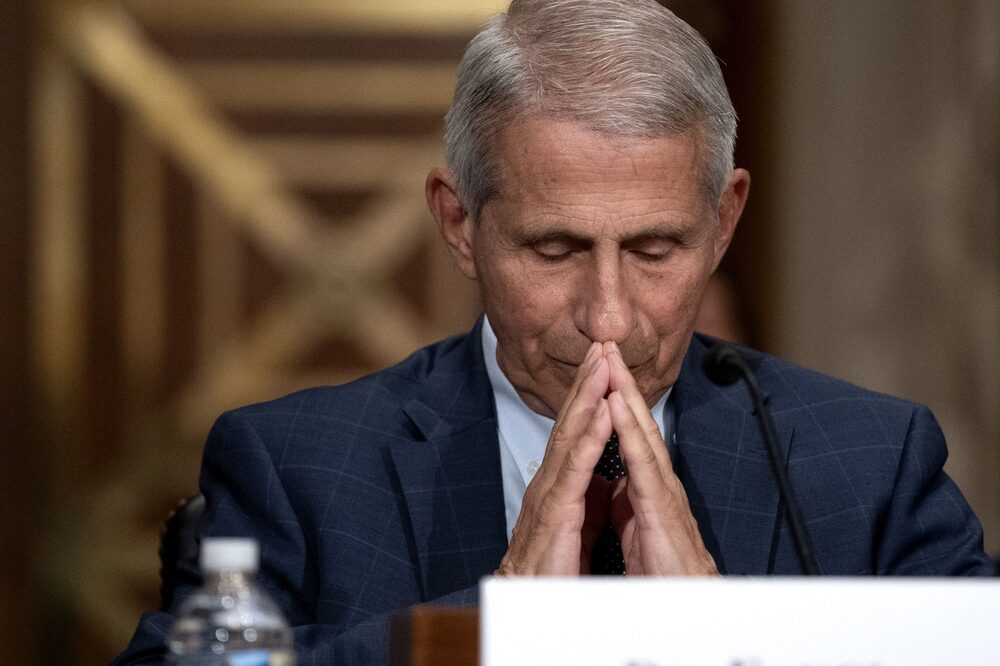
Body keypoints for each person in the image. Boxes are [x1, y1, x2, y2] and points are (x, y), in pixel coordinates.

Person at [115, 0, 995, 663]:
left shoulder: (869, 464)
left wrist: (728, 638)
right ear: (459, 223)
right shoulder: (294, 468)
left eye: (655, 249)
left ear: (724, 224)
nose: (608, 318)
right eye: (554, 248)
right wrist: (496, 626)